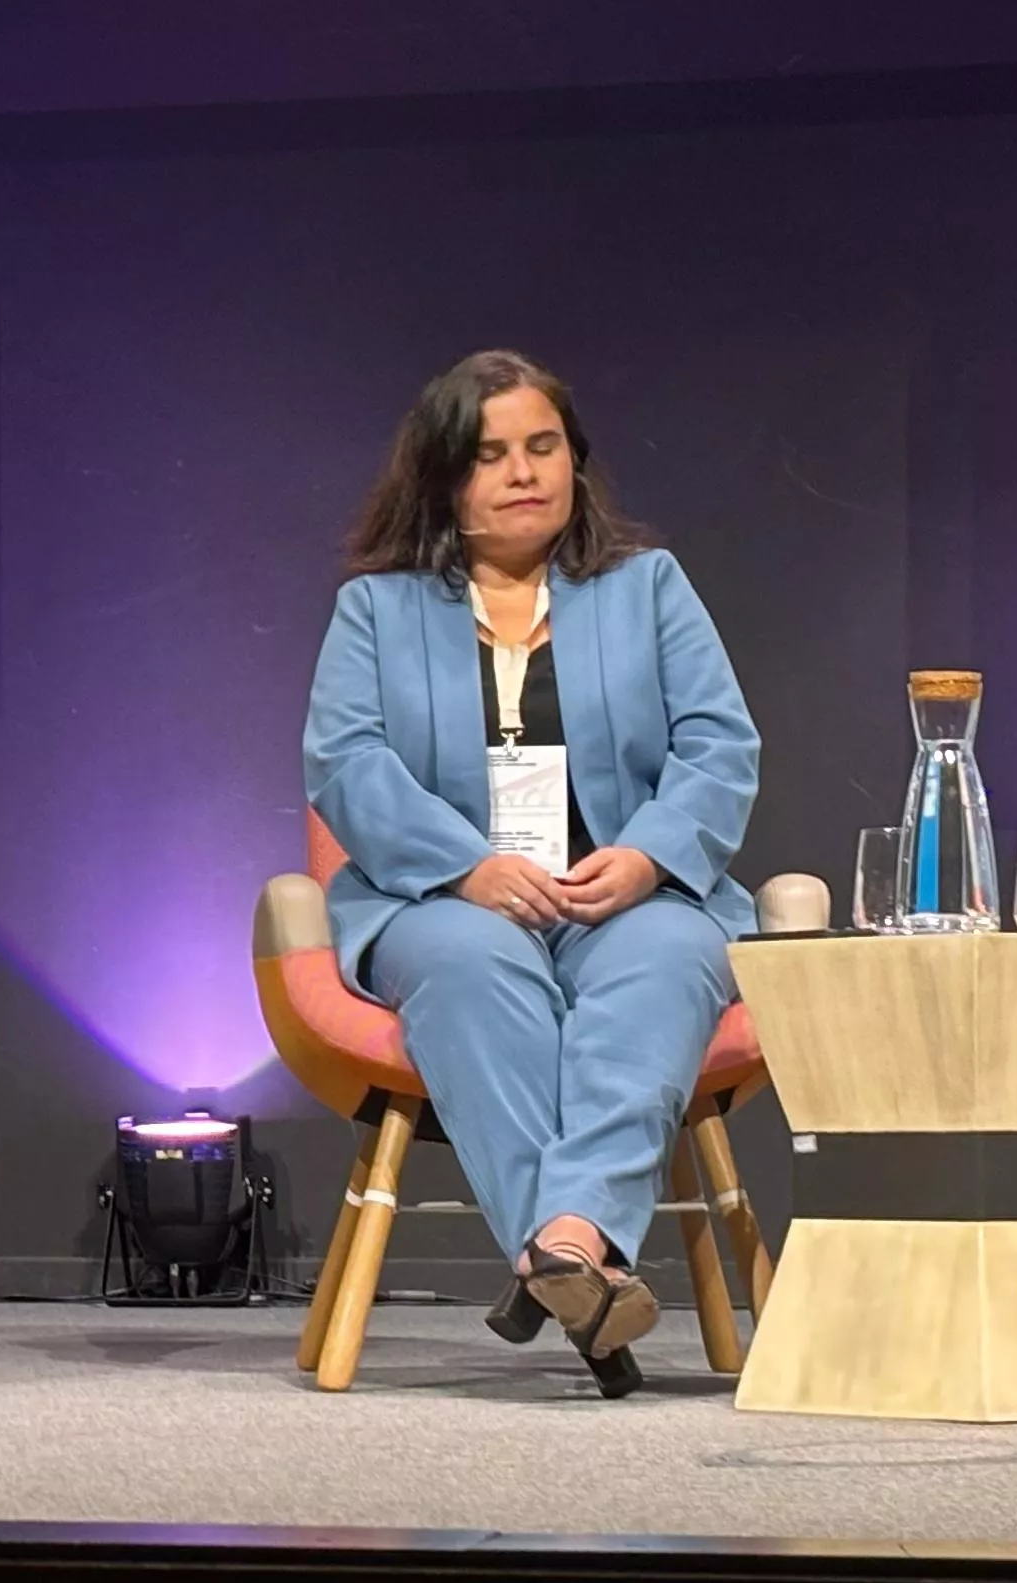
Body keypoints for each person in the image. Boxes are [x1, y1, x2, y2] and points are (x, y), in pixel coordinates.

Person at [303, 349, 760, 1394]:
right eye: (492, 454)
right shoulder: (377, 609)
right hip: (443, 899)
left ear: (575, 461)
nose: (522, 472)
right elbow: (346, 760)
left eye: (542, 447)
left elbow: (720, 746)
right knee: (473, 969)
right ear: (444, 477)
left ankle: (558, 1247)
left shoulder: (648, 588)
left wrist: (648, 857)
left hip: (628, 893)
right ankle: (579, 1256)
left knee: (664, 963)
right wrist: (466, 867)